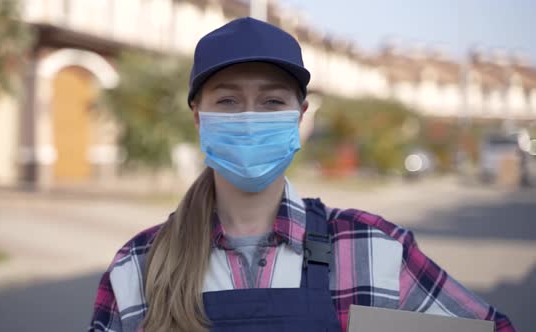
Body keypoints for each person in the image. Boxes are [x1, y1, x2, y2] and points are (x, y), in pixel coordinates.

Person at [89, 17, 515, 332]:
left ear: (301, 118)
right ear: (198, 118)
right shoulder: (139, 268)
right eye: (228, 101)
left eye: (273, 102)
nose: (251, 117)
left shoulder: (371, 252)